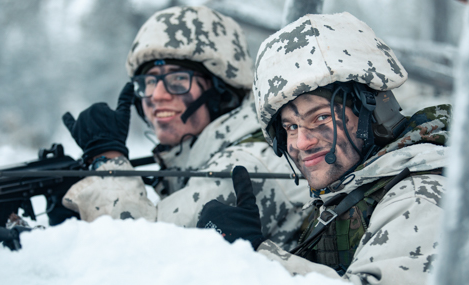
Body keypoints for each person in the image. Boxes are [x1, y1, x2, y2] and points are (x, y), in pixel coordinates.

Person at [197, 12, 469, 285]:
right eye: (290, 127)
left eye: (320, 119)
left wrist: (253, 256)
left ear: (376, 113)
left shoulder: (426, 197)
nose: (301, 142)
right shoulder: (352, 194)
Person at [59, 6, 310, 250]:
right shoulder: (210, 153)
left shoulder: (242, 166)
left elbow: (139, 253)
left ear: (221, 93)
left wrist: (108, 159)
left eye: (178, 79)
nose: (157, 95)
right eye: (148, 81)